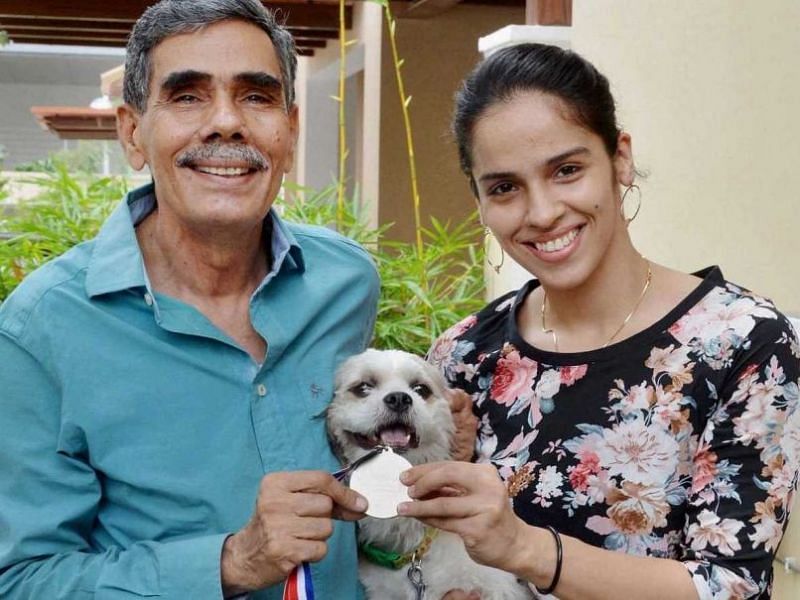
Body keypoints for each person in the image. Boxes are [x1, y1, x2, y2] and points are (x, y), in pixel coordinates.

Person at [0, 1, 378, 598]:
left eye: (256, 96)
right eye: (187, 96)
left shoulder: (346, 282)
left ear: (290, 127)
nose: (227, 122)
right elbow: (21, 580)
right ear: (132, 133)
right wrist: (232, 562)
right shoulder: (41, 330)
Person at [402, 43, 800, 599]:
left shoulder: (742, 343)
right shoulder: (463, 356)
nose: (541, 213)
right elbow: (419, 548)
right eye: (504, 187)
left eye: (566, 170)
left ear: (620, 159)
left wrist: (527, 549)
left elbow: (729, 586)